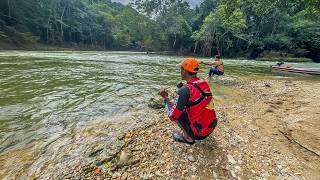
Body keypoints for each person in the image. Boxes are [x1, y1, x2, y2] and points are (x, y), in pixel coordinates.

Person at [159, 57, 218, 145]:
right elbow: (196, 96)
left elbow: (173, 116)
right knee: (184, 107)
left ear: (184, 71)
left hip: (199, 134)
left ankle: (188, 138)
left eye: (181, 68)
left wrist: (165, 98)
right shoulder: (204, 82)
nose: (180, 71)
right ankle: (194, 130)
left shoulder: (185, 90)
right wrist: (181, 89)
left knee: (176, 113)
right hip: (211, 127)